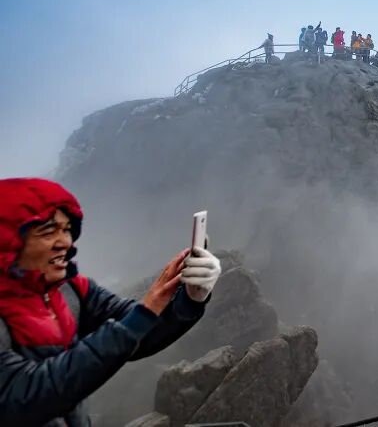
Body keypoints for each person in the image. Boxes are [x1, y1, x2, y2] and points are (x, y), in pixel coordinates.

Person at [0, 178, 221, 426]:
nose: (65, 242)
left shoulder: (70, 290)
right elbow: (24, 395)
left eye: (66, 229)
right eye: (48, 231)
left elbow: (138, 334)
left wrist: (191, 297)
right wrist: (143, 314)